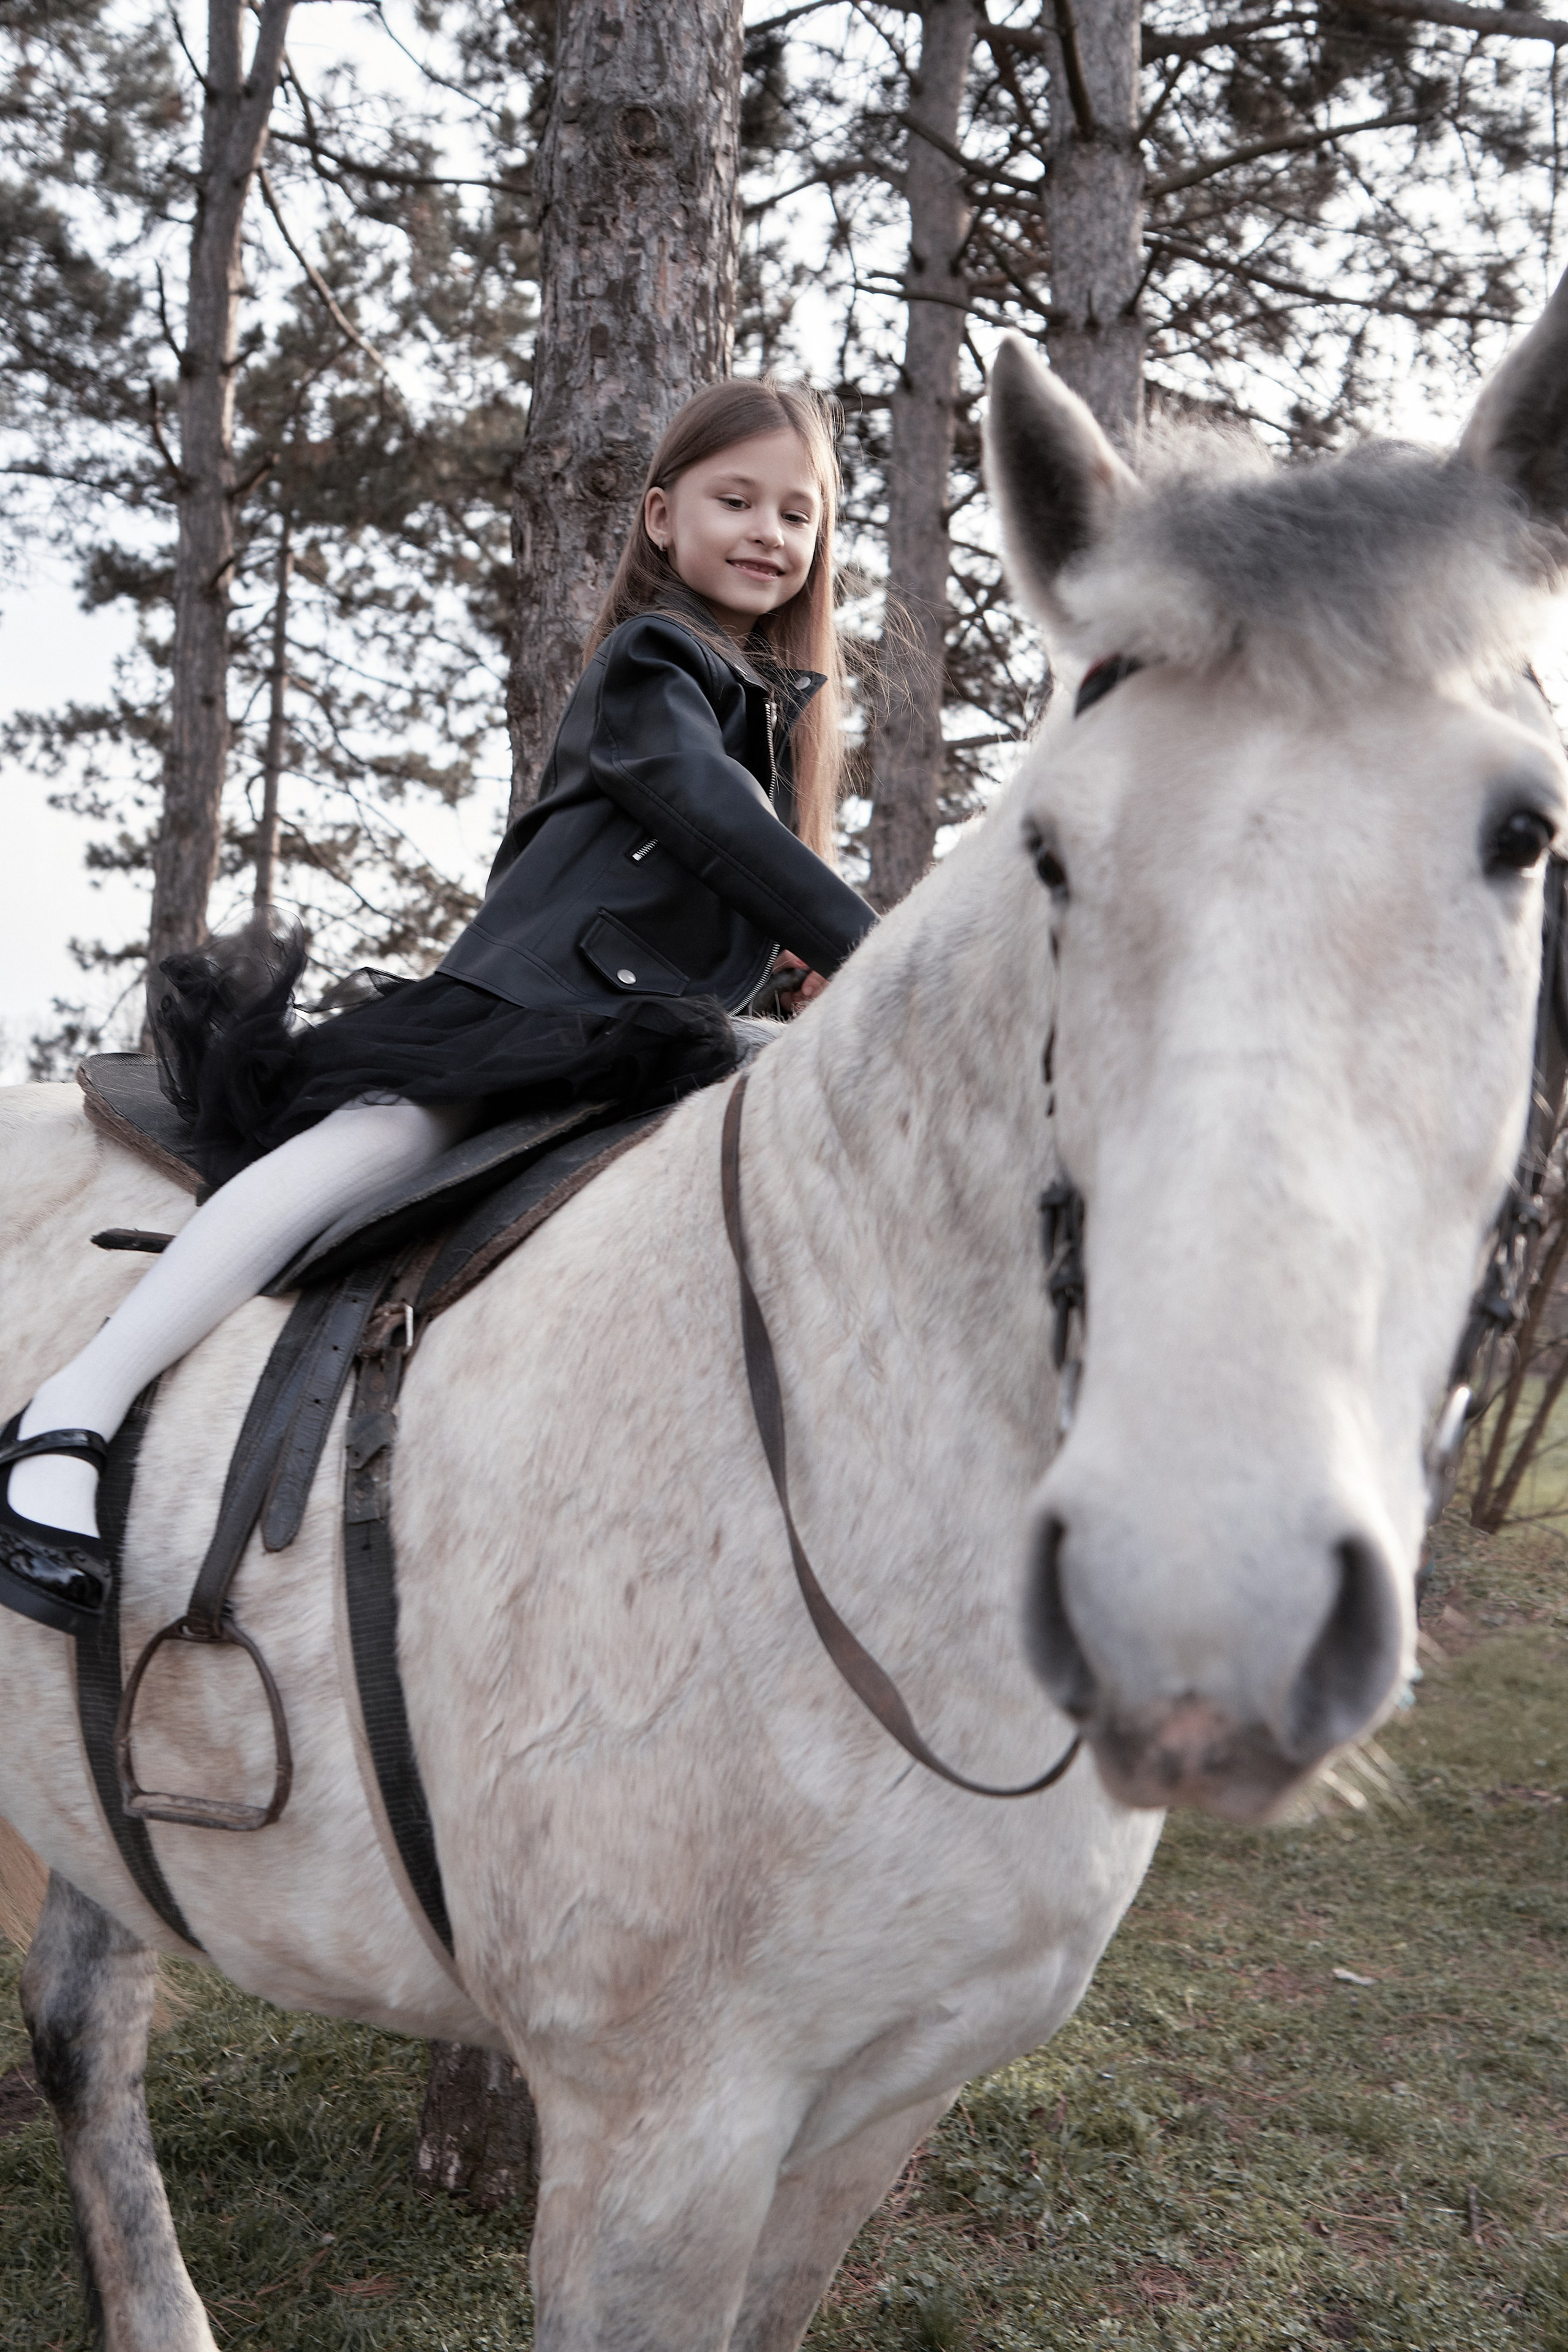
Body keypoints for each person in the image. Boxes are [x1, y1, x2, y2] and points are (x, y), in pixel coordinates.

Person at [0, 377, 876, 1634]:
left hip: (645, 1029)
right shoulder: (654, 661)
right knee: (391, 1139)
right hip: (535, 1004)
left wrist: (792, 975)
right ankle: (70, 1412)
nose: (768, 533)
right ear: (658, 516)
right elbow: (702, 813)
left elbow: (710, 889)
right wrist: (870, 948)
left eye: (797, 514)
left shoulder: (769, 718)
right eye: (735, 500)